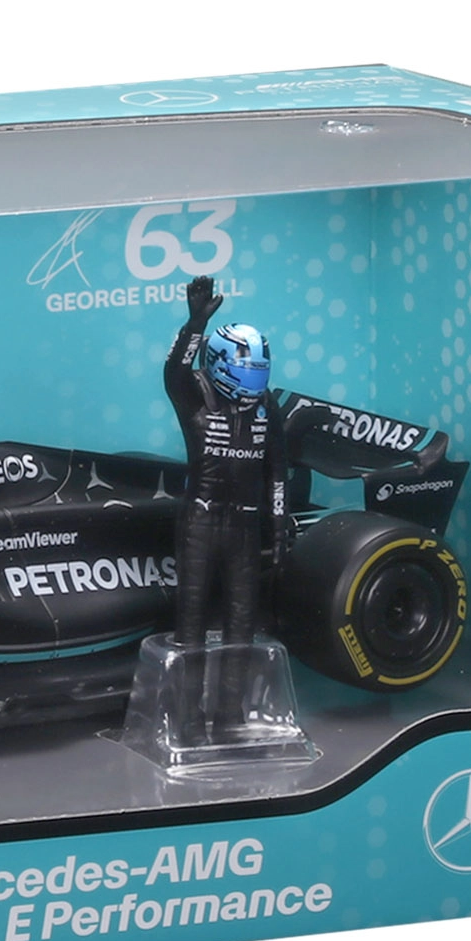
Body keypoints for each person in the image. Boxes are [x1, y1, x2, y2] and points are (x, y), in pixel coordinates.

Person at [160, 273, 286, 723]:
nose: (251, 382)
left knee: (242, 624)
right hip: (200, 520)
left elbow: (277, 472)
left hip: (246, 526)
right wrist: (194, 324)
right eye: (245, 370)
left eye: (258, 371)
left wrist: (278, 527)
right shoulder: (195, 394)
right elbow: (173, 372)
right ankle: (186, 717)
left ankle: (231, 714)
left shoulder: (267, 407)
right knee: (191, 623)